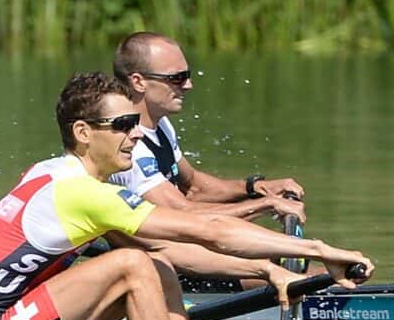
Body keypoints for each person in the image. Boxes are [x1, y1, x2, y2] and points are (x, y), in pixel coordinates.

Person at [0, 73, 374, 320]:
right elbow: (207, 231)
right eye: (123, 124)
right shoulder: (81, 192)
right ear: (83, 132)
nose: (136, 133)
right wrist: (319, 251)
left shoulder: (48, 170)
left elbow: (172, 249)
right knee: (132, 266)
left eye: (135, 122)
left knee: (151, 260)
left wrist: (264, 269)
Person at [109, 31, 306, 223]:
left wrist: (255, 188)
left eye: (187, 75)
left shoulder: (160, 124)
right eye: (176, 78)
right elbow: (182, 212)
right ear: (139, 82)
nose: (188, 85)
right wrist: (267, 205)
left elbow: (194, 186)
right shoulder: (127, 144)